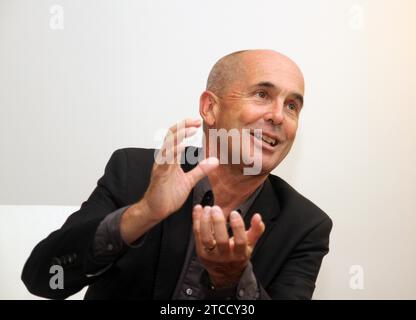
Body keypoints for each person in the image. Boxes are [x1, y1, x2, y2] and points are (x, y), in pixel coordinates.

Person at [22, 49, 332, 300]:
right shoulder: (134, 171)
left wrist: (233, 280)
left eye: (292, 106)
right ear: (210, 108)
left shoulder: (305, 225)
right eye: (262, 94)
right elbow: (44, 278)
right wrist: (142, 214)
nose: (278, 115)